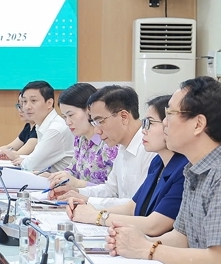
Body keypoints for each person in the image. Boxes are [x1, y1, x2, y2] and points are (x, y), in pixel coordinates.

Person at [106, 77, 221, 264]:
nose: (164, 122)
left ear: (198, 124)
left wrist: (146, 248)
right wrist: (135, 241)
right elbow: (181, 237)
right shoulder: (194, 168)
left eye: (170, 114)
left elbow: (219, 260)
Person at [66, 95, 187, 236]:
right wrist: (89, 208)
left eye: (150, 123)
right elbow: (133, 206)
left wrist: (96, 216)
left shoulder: (183, 168)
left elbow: (154, 225)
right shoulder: (158, 162)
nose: (143, 130)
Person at [50, 85, 155, 209]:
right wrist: (77, 192)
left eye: (100, 121)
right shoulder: (122, 147)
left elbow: (138, 205)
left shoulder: (150, 150)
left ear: (124, 117)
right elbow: (110, 189)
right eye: (94, 122)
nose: (97, 130)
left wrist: (88, 200)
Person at [46, 83, 118, 185]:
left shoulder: (109, 141)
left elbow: (113, 189)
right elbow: (73, 170)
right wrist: (53, 177)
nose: (68, 122)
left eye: (71, 115)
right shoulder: (79, 138)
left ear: (89, 110)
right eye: (64, 117)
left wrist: (78, 184)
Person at [0, 81, 73, 172]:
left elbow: (32, 165)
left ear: (49, 103)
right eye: (24, 101)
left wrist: (21, 159)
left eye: (33, 101)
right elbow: (34, 160)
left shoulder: (55, 129)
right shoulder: (41, 125)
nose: (27, 107)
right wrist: (22, 159)